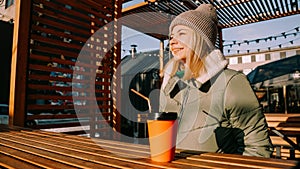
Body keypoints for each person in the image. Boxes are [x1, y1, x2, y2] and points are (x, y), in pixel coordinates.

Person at [159, 4, 273, 157]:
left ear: (200, 39)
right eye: (171, 36)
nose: (172, 41)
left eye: (181, 34)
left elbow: (257, 149)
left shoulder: (231, 82)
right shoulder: (171, 85)